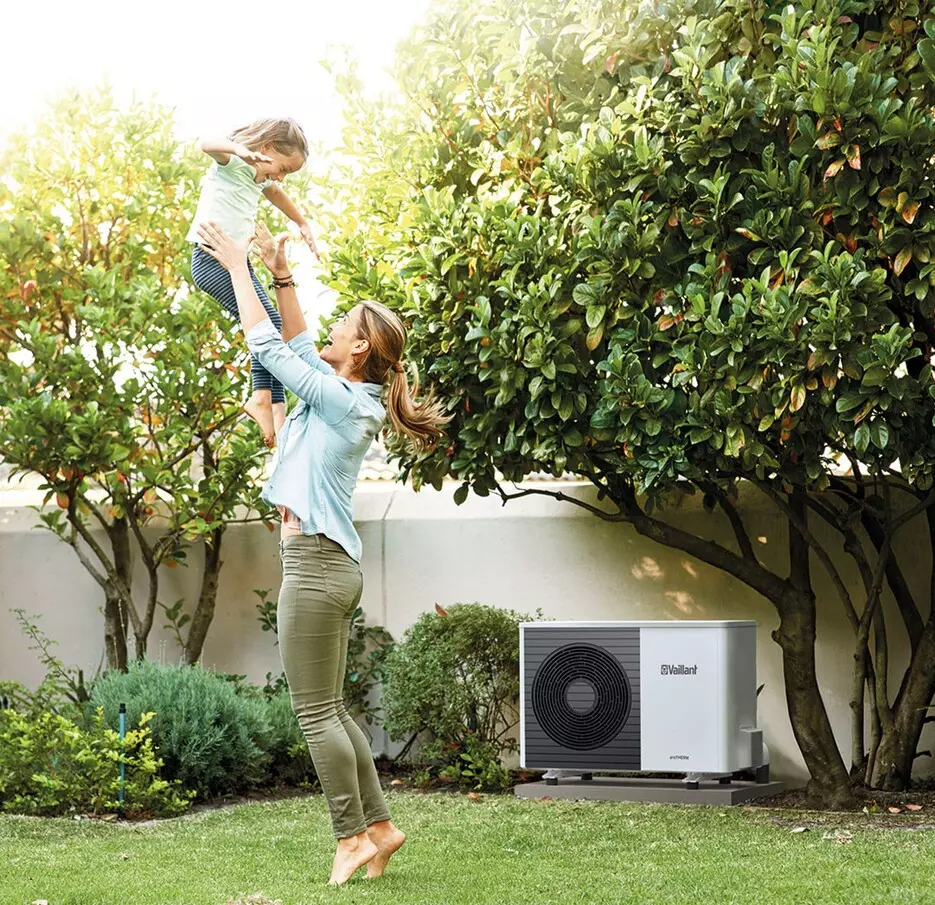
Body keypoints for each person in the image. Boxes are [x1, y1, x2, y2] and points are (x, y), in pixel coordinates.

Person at [195, 218, 449, 886]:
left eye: (344, 326)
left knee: (313, 713)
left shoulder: (339, 398)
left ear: (360, 347)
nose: (330, 329)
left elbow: (269, 345)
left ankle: (350, 836)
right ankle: (382, 826)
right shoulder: (349, 395)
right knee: (332, 709)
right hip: (331, 565)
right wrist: (278, 272)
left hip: (313, 566)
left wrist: (233, 266)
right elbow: (299, 339)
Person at [187, 118, 321, 447]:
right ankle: (261, 399)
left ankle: (275, 407)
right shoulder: (232, 163)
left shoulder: (259, 179)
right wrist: (237, 150)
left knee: (269, 326)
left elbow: (276, 193)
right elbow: (204, 142)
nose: (281, 177)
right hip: (210, 260)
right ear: (265, 150)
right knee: (268, 325)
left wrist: (301, 222)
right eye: (284, 168)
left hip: (235, 263)